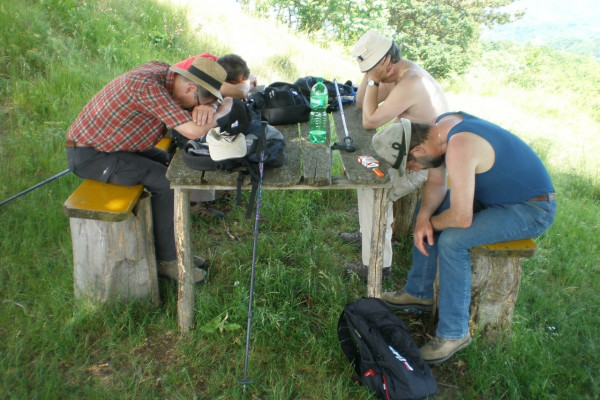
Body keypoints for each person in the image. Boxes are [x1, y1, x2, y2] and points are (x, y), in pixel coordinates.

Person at [371, 113, 557, 363]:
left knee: (453, 241)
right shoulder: (441, 128)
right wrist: (425, 218)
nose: (414, 170)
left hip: (530, 209)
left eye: (411, 164)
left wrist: (428, 226)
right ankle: (420, 292)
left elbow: (461, 218)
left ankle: (453, 333)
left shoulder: (459, 145)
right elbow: (436, 184)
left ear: (417, 148)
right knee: (429, 211)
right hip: (495, 197)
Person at [66, 57, 238, 284]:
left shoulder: (164, 73)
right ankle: (166, 261)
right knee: (166, 182)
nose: (191, 109)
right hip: (92, 156)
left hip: (118, 148)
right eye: (193, 103)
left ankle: (173, 244)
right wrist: (224, 108)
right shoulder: (146, 86)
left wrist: (210, 105)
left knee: (172, 164)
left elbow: (206, 106)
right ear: (190, 87)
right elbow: (194, 132)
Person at [341, 29, 449, 280]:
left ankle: (378, 265)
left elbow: (369, 120)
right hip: (407, 153)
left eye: (373, 67)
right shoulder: (400, 72)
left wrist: (375, 80)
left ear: (387, 63)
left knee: (372, 185)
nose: (369, 74)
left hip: (422, 165)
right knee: (364, 170)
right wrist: (371, 76)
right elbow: (360, 102)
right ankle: (367, 233)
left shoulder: (411, 82)